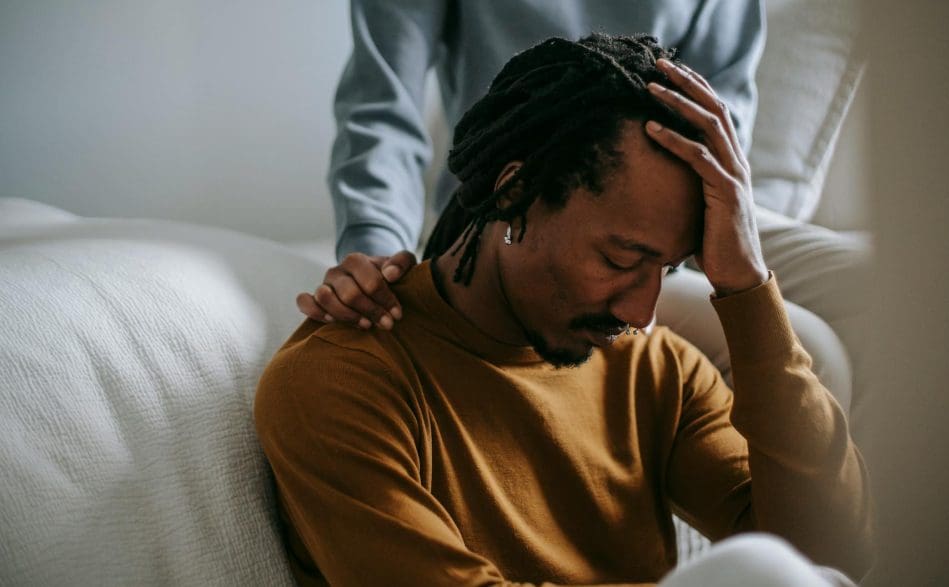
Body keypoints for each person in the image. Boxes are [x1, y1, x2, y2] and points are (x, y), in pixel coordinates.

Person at [256, 34, 873, 586]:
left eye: (668, 269)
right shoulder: (342, 381)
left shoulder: (659, 370)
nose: (642, 308)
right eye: (619, 257)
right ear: (515, 190)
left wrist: (746, 284)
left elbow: (833, 551)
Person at [297, 0, 865, 417]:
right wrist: (375, 249)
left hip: (676, 210)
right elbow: (382, 105)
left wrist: (726, 248)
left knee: (876, 291)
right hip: (527, 208)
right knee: (811, 348)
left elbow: (724, 106)